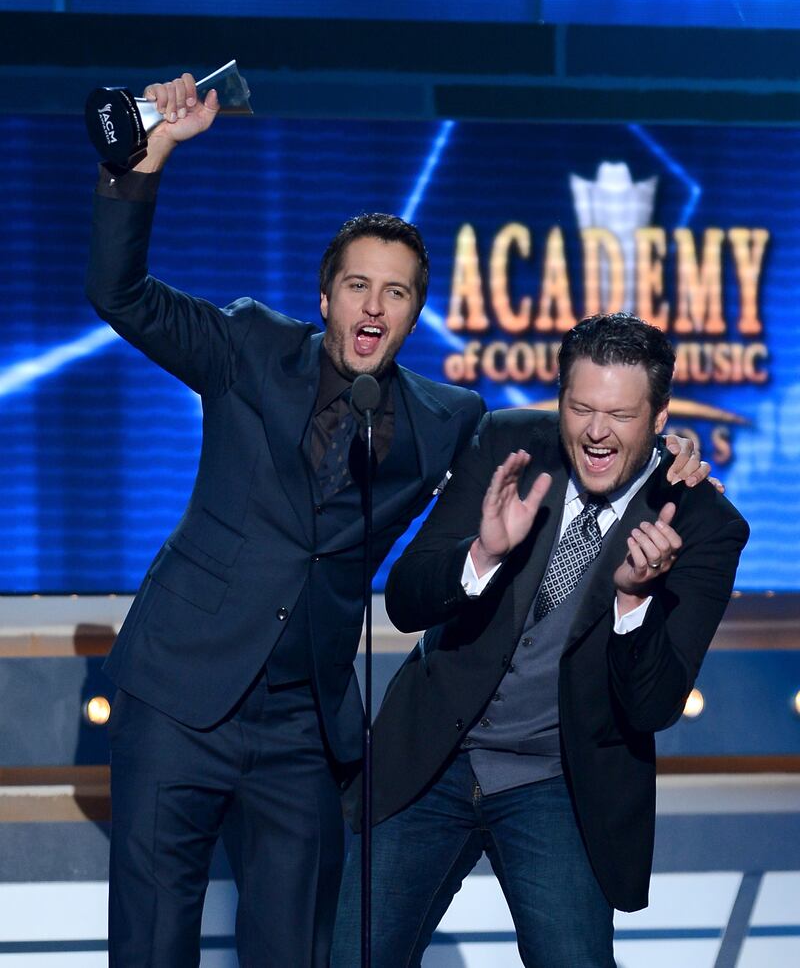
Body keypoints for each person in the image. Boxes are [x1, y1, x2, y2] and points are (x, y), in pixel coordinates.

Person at [85, 74, 487, 967]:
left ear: (415, 313)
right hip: (179, 696)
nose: (374, 306)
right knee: (150, 948)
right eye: (358, 285)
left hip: (305, 729)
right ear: (326, 296)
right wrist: (145, 161)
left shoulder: (445, 420)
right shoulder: (248, 345)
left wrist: (664, 450)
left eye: (395, 293)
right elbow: (121, 294)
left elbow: (549, 446)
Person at [332, 312, 748, 968]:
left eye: (621, 414)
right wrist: (482, 555)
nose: (597, 432)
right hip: (433, 753)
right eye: (580, 408)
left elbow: (653, 707)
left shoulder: (703, 522)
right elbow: (407, 599)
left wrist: (634, 601)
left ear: (661, 417)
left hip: (559, 781)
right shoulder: (508, 445)